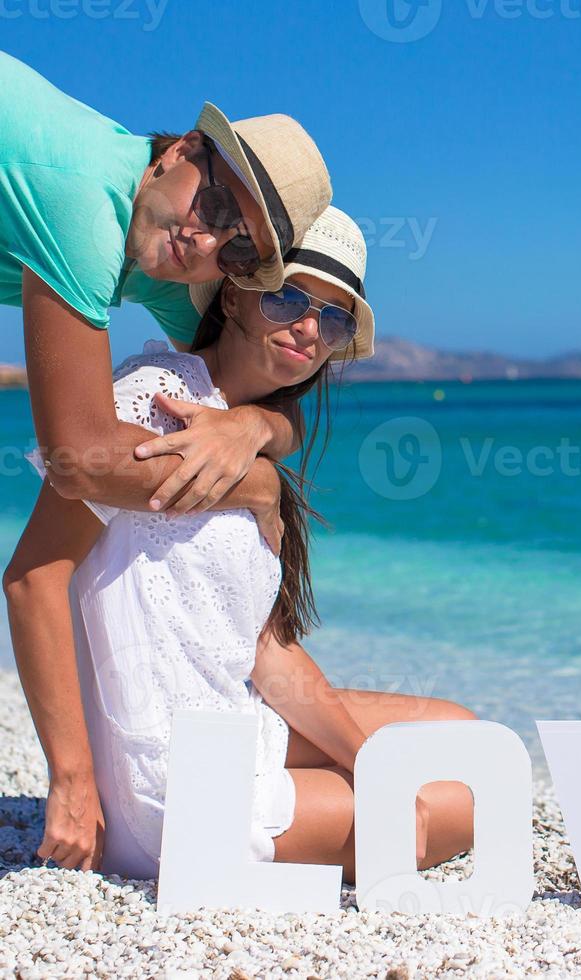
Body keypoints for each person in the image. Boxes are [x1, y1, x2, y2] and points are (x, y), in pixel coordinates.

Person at [5, 208, 476, 882]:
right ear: (234, 292)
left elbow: (264, 650)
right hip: (167, 784)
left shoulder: (242, 433)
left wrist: (366, 765)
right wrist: (72, 784)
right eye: (290, 296)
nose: (309, 329)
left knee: (459, 733)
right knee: (455, 806)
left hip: (231, 726)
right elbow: (32, 576)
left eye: (333, 319)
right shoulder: (152, 403)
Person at [0, 50, 331, 873]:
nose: (205, 238)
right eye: (217, 202)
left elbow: (261, 388)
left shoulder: (162, 258)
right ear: (182, 150)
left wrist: (250, 431)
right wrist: (255, 486)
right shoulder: (83, 194)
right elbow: (80, 458)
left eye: (239, 249)